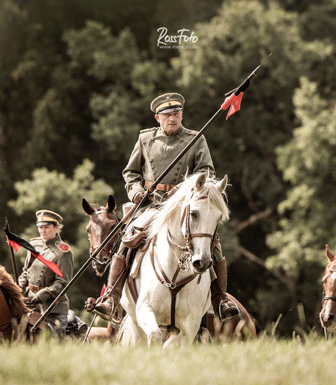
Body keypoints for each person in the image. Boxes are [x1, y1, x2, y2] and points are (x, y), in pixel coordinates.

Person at [90, 92, 239, 323]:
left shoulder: (195, 139)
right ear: (158, 117)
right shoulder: (145, 139)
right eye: (168, 115)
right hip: (150, 204)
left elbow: (207, 173)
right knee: (126, 240)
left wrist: (183, 190)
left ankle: (221, 300)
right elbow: (130, 173)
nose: (173, 118)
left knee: (213, 242)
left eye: (177, 114)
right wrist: (136, 191)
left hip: (182, 205)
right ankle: (112, 297)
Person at [18, 209, 73, 336]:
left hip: (53, 307)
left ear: (56, 227)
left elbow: (62, 282)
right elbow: (26, 272)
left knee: (52, 340)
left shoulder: (63, 252)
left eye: (46, 227)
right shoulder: (33, 245)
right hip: (29, 301)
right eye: (40, 227)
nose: (42, 231)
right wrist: (19, 289)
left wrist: (42, 295)